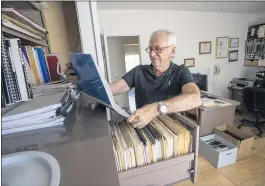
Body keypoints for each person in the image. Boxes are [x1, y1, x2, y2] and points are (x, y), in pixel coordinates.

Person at [66, 29, 202, 128]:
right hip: (143, 128)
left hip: (172, 132)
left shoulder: (181, 72)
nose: (152, 54)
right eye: (150, 49)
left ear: (172, 51)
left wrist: (155, 109)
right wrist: (82, 79)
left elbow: (195, 98)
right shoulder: (139, 71)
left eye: (158, 49)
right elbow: (109, 90)